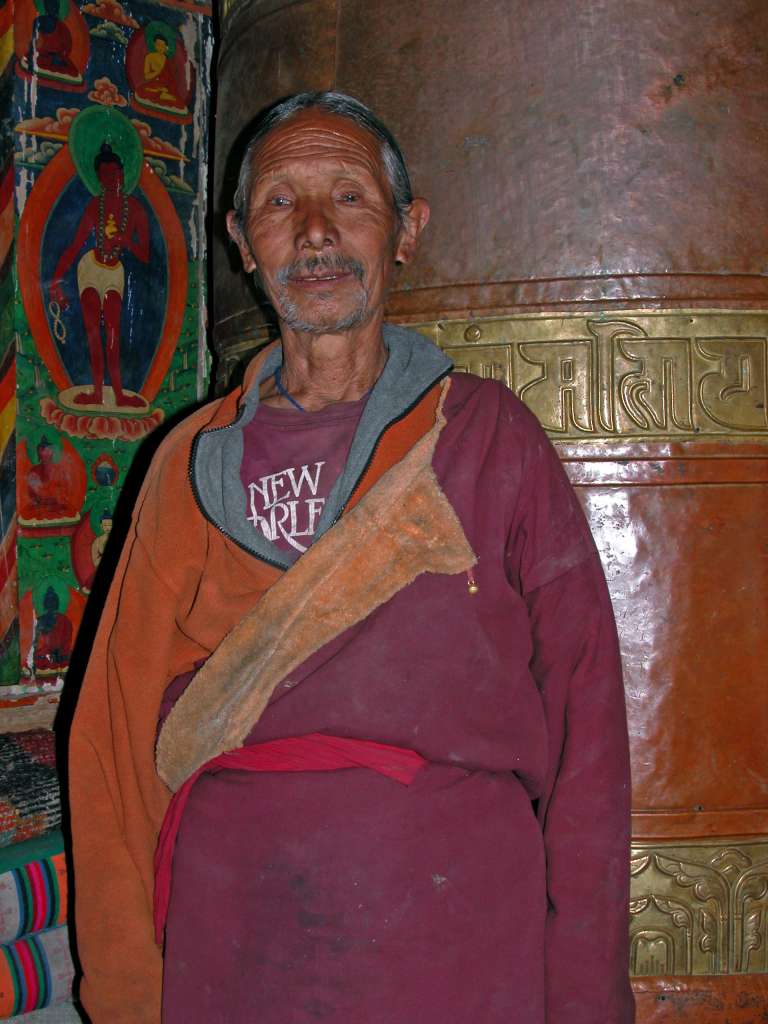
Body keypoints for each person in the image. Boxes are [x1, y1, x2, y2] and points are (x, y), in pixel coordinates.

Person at [69, 92, 634, 1023]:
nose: (317, 231)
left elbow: (588, 735)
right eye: (281, 204)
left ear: (406, 231)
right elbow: (112, 740)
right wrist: (128, 991)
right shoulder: (190, 462)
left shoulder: (489, 440)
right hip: (236, 943)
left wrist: (584, 991)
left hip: (456, 938)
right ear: (244, 244)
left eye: (350, 198)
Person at [50, 142, 149, 409]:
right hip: (90, 268)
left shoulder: (136, 210)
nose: (111, 179)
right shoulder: (95, 206)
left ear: (122, 173)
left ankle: (117, 394)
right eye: (104, 175)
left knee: (113, 333)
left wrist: (126, 241)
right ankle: (96, 392)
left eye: (114, 173)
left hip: (115, 271)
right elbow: (74, 245)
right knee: (94, 332)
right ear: (98, 178)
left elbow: (145, 255)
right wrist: (55, 282)